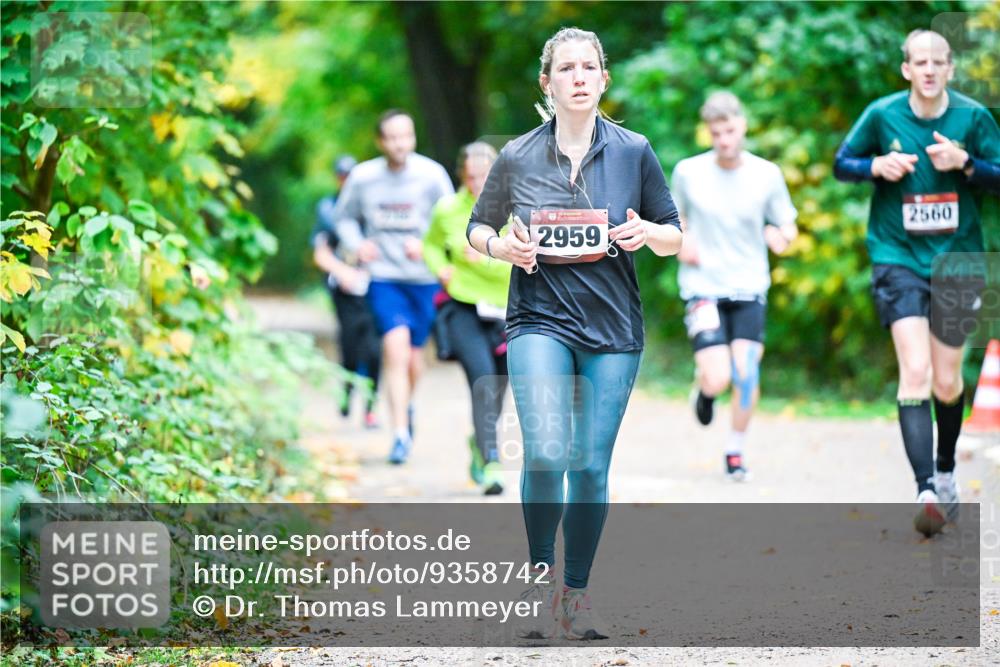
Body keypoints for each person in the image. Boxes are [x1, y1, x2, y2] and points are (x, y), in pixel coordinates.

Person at [467, 27, 682, 639]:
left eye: (590, 67)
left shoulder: (634, 150)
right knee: (547, 449)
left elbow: (674, 232)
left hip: (613, 327)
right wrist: (503, 247)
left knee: (588, 466)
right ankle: (539, 579)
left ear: (604, 79)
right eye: (567, 68)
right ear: (548, 82)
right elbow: (477, 229)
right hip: (539, 318)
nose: (579, 76)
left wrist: (649, 236)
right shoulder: (517, 155)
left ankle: (576, 593)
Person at [834, 29, 1000, 536]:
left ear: (950, 68)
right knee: (916, 369)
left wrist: (966, 164)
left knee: (948, 381)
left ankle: (946, 471)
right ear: (906, 69)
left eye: (938, 62)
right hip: (896, 254)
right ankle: (925, 488)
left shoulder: (972, 118)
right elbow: (843, 165)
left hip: (958, 259)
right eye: (919, 62)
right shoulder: (883, 115)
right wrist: (875, 166)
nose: (928, 70)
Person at [672, 92, 799, 481]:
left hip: (749, 286)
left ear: (742, 125)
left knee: (746, 373)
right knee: (719, 376)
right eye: (716, 133)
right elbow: (673, 221)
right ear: (707, 133)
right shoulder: (688, 172)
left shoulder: (767, 174)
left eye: (729, 130)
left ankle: (735, 450)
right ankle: (706, 391)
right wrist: (683, 240)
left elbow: (787, 224)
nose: (724, 140)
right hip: (703, 287)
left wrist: (783, 237)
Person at [334, 110, 455, 464]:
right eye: (393, 137)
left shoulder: (431, 175)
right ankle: (399, 433)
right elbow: (343, 219)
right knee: (395, 348)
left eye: (407, 136)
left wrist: (430, 247)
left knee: (416, 361)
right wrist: (357, 245)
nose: (401, 144)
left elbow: (452, 220)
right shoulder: (363, 177)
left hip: (423, 279)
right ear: (380, 141)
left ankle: (407, 405)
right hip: (384, 277)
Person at [424, 142, 511, 495]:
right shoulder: (447, 209)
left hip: (506, 310)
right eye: (471, 177)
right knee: (481, 379)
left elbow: (525, 263)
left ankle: (479, 442)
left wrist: (490, 257)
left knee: (499, 388)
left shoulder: (514, 208)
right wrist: (440, 266)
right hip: (462, 306)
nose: (477, 183)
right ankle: (492, 460)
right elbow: (430, 244)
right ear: (461, 175)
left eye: (484, 176)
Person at [312, 155, 382, 429]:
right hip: (344, 289)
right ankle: (346, 392)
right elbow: (321, 251)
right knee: (351, 347)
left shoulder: (374, 206)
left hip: (375, 286)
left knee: (375, 350)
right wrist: (343, 273)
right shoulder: (329, 209)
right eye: (342, 175)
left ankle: (370, 408)